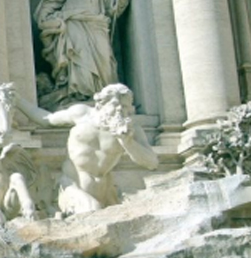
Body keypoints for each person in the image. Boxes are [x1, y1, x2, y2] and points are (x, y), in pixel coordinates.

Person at [15, 84, 158, 215]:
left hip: (106, 189)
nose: (120, 109)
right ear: (101, 104)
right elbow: (46, 119)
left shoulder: (132, 131)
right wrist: (18, 101)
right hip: (73, 185)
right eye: (115, 104)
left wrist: (128, 143)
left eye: (125, 106)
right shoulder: (82, 114)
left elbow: (152, 163)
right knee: (93, 211)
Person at [35, 0, 129, 103]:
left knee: (104, 59)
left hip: (96, 23)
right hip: (74, 23)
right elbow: (52, 1)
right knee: (79, 58)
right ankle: (80, 95)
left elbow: (112, 4)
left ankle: (105, 96)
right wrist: (45, 17)